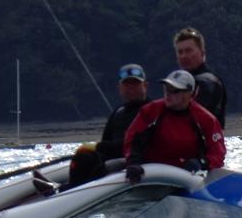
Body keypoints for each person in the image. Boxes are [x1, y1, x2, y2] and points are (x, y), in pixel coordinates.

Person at [33, 63, 150, 194]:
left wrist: (101, 147)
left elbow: (139, 143)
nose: (131, 88)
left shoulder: (150, 110)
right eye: (127, 84)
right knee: (84, 156)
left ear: (145, 86)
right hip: (114, 156)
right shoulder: (118, 112)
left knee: (100, 167)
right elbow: (105, 142)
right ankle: (63, 188)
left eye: (135, 84)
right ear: (119, 88)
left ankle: (61, 190)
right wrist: (94, 149)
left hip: (136, 160)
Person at [123, 69, 226, 184]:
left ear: (189, 93)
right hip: (148, 173)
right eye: (166, 88)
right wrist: (133, 162)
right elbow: (131, 139)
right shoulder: (150, 111)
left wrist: (202, 162)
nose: (168, 93)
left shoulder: (207, 120)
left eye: (174, 90)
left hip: (189, 177)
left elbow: (218, 153)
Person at [173, 27, 227, 128]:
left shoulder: (208, 82)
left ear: (202, 53)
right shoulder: (180, 82)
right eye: (180, 52)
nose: (184, 56)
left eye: (189, 51)